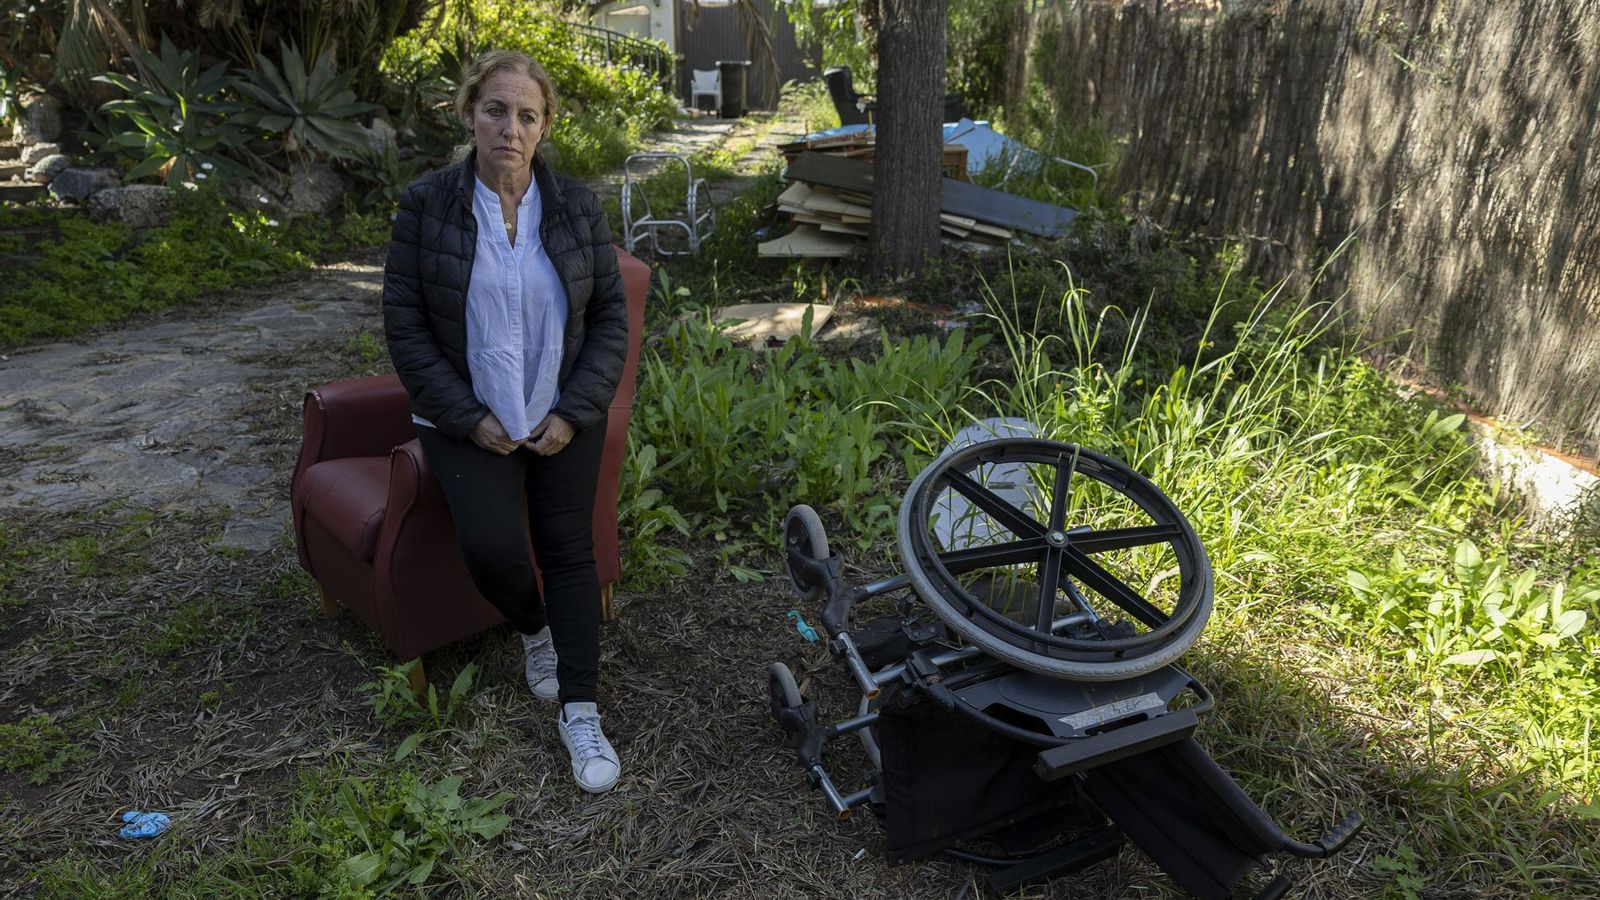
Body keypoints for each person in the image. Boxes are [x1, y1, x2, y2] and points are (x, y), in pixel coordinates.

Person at [381, 49, 629, 793]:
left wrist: (575, 411)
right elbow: (406, 326)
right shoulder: (425, 205)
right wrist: (466, 417)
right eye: (495, 111)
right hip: (468, 415)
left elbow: (611, 316)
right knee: (490, 549)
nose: (509, 129)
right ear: (469, 115)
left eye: (526, 115)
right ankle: (534, 629)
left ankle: (581, 712)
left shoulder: (577, 206)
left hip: (557, 414)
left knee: (569, 552)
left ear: (545, 125)